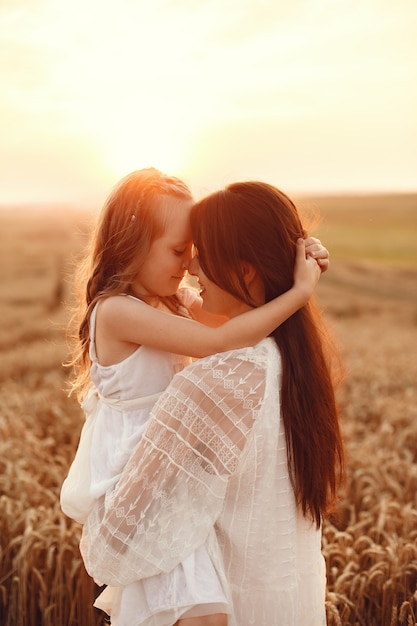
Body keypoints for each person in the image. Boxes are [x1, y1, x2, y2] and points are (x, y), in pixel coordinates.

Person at [61, 169, 328, 626]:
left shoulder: (171, 299)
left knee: (208, 611)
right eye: (179, 249)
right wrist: (299, 293)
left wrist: (295, 256)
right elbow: (222, 342)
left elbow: (236, 316)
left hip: (172, 471)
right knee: (202, 613)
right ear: (130, 244)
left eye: (195, 250)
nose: (189, 264)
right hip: (136, 473)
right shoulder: (117, 311)